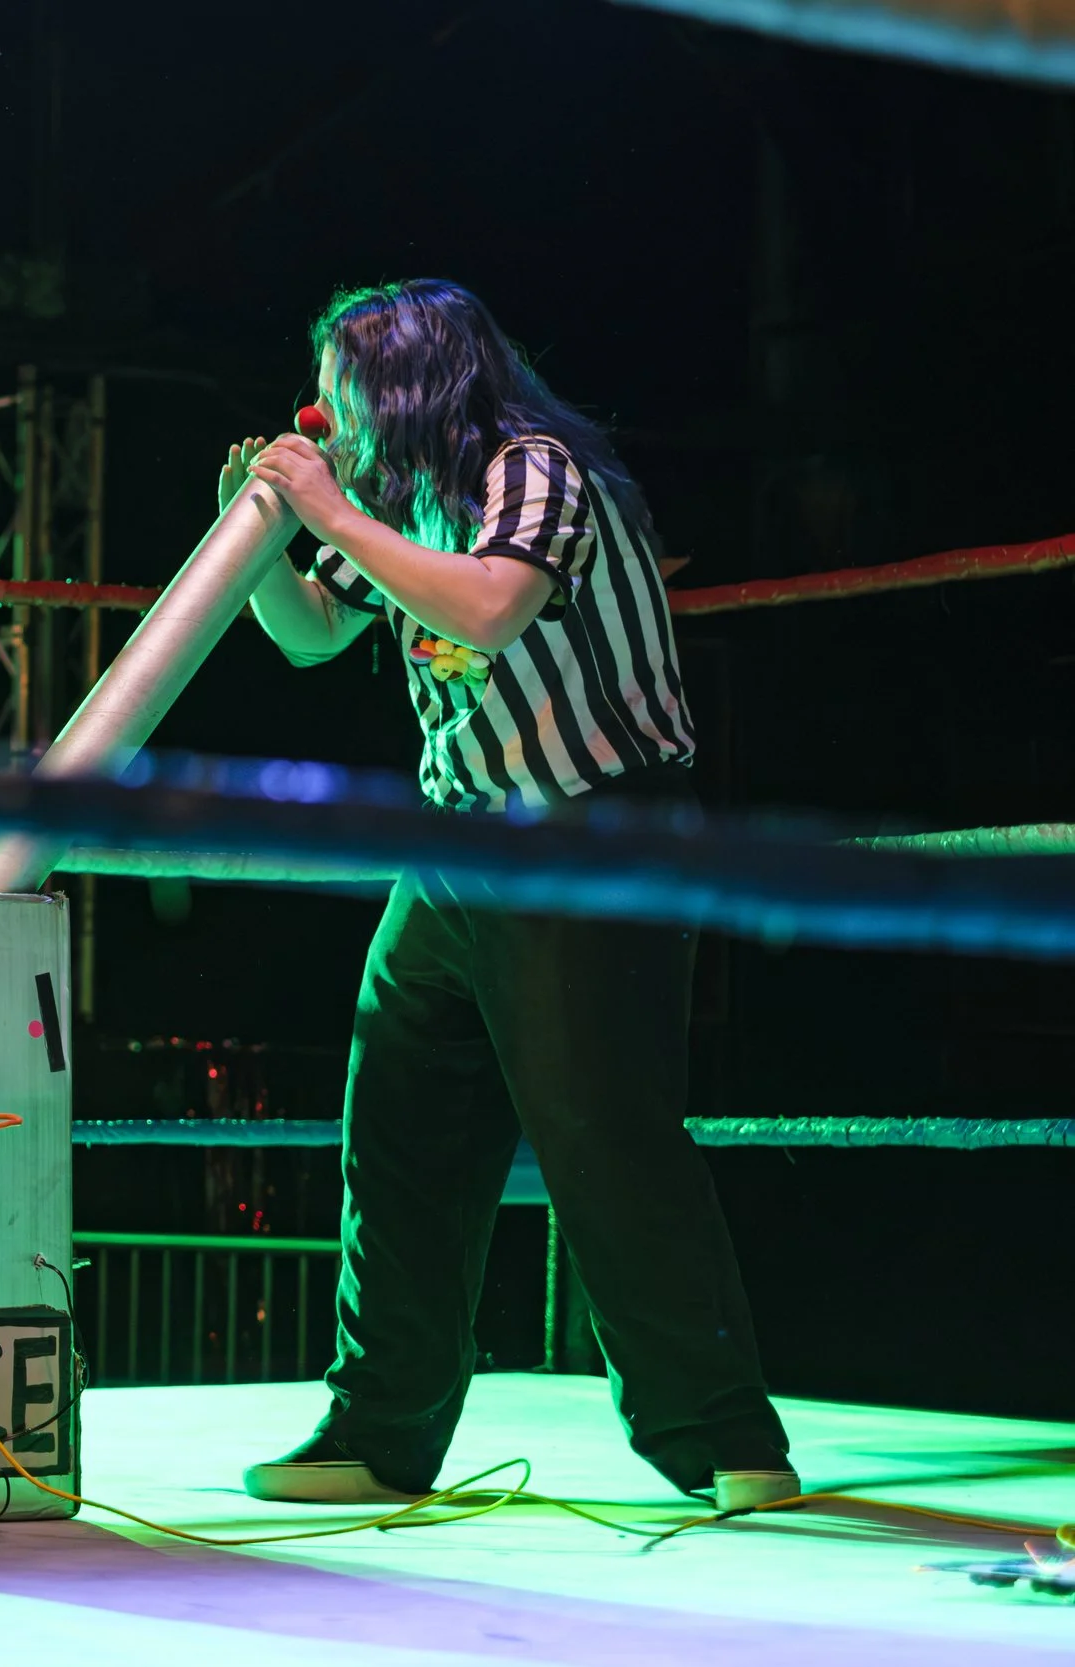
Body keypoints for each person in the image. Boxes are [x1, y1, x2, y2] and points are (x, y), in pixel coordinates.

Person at [228, 279, 794, 1511]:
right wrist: (269, 537)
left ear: (401, 383)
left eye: (338, 388)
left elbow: (488, 608)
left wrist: (325, 503)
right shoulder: (404, 501)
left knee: (603, 1132)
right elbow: (312, 633)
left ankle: (725, 1436)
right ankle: (380, 1427)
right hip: (457, 841)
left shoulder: (532, 470)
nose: (320, 415)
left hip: (588, 827)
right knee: (398, 1127)